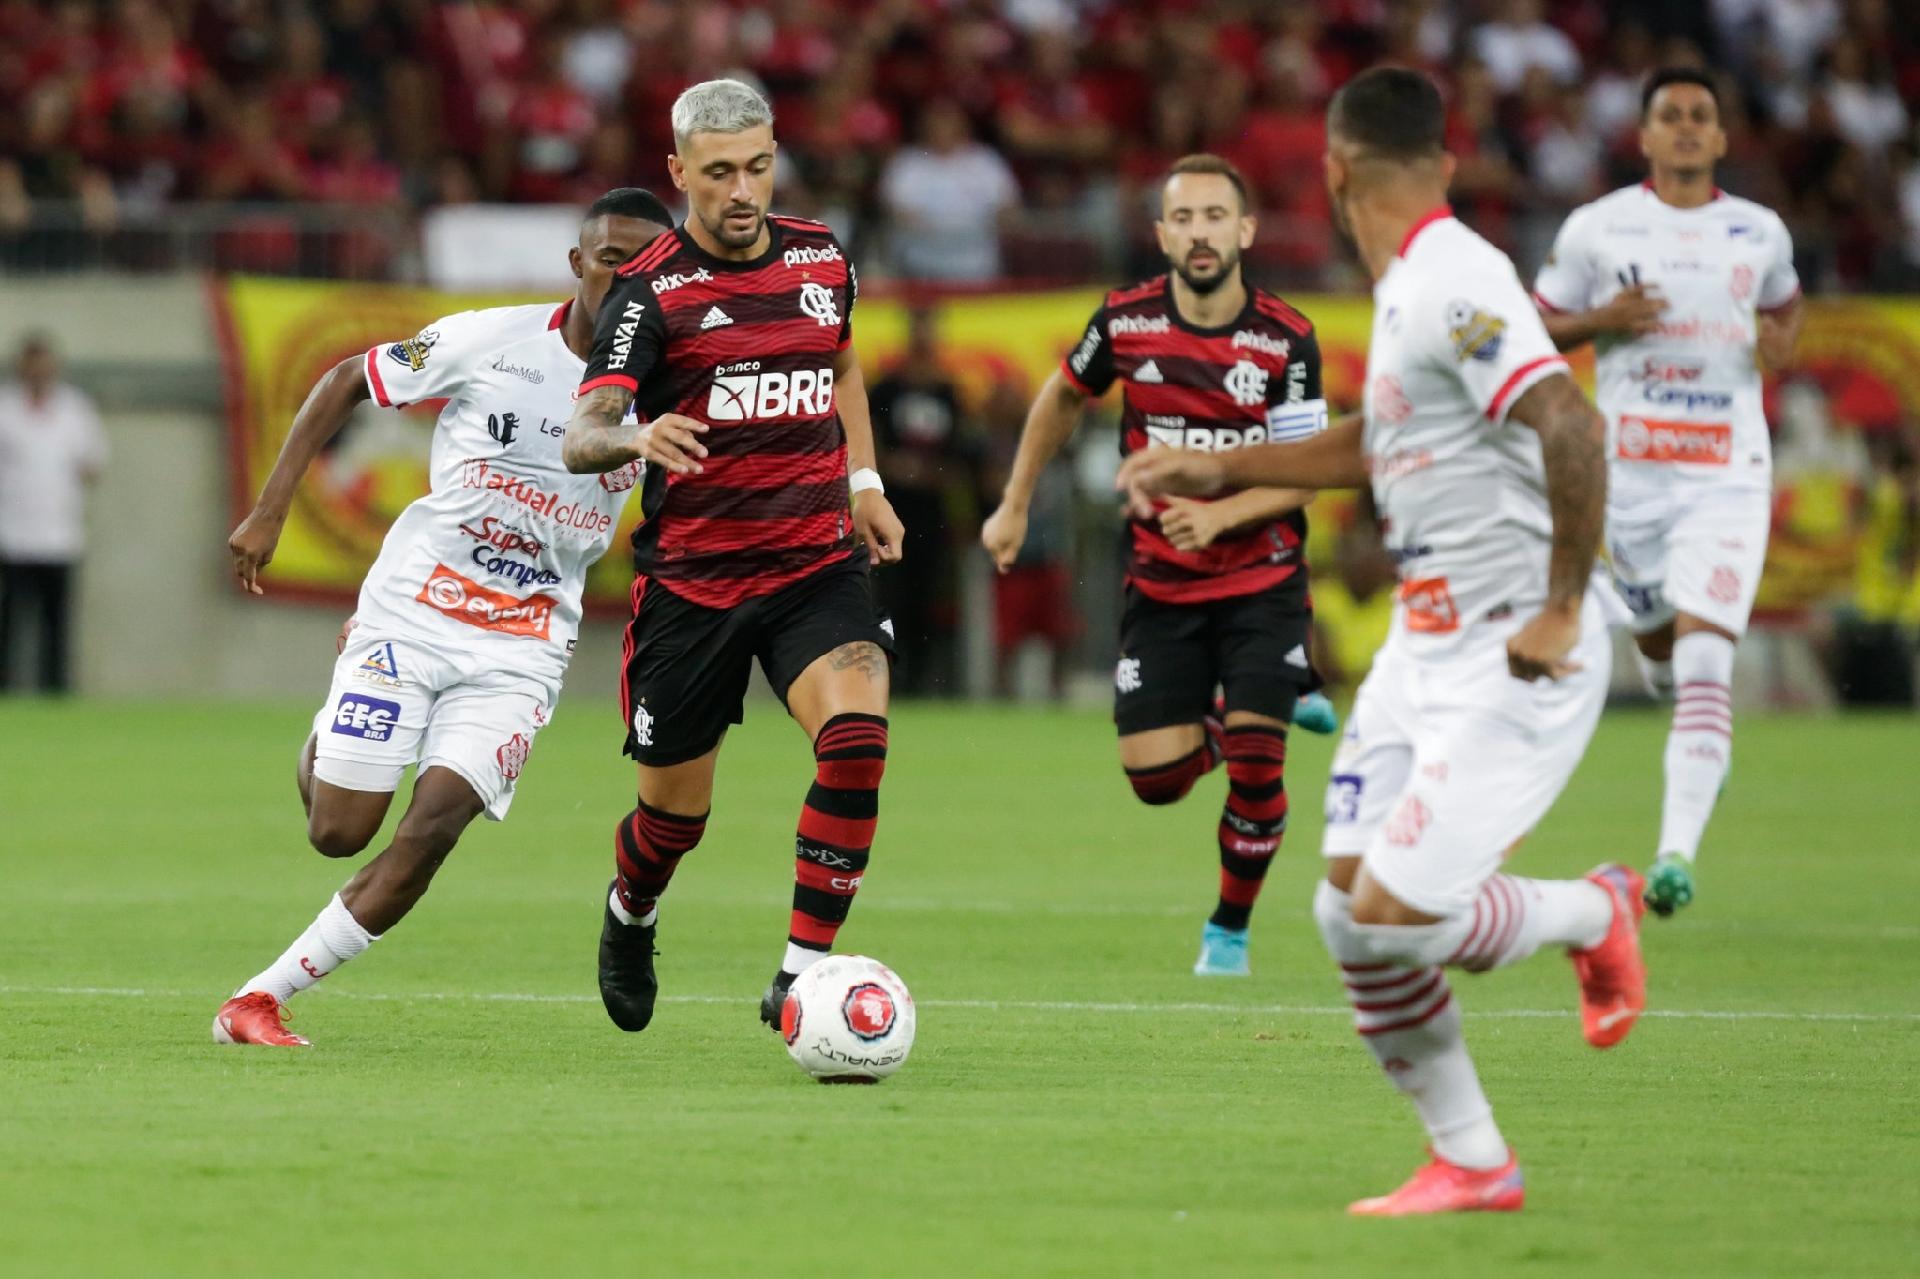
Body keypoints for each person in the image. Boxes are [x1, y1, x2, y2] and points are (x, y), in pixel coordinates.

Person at [1116, 67, 1646, 1216]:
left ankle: (1597, 911)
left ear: (1334, 172)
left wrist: (1563, 602)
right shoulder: (1413, 286)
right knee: (1345, 910)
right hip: (1424, 644)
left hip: (1515, 646)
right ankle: (1473, 1159)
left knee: (1401, 909)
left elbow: (1569, 420)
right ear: (1444, 164)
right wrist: (1230, 462)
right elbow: (1378, 440)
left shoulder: (1457, 279)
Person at [210, 188, 673, 1047]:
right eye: (614, 257)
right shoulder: (489, 340)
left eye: (650, 262)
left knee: (433, 830)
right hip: (414, 613)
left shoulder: (671, 383)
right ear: (579, 266)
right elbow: (349, 375)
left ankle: (258, 1000)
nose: (631, 274)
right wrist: (271, 511)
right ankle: (329, 733)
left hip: (525, 645)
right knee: (338, 831)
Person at [562, 79, 905, 1035]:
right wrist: (633, 438)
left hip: (814, 565)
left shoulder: (821, 256)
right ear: (679, 173)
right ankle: (631, 909)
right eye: (719, 173)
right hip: (696, 587)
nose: (743, 188)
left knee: (857, 741)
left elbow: (839, 363)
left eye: (757, 165)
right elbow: (581, 432)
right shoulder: (650, 292)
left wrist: (866, 483)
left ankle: (802, 974)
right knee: (673, 820)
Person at [982, 153, 1339, 979]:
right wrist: (1016, 500)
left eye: (1216, 216)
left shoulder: (1286, 337)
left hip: (1262, 579)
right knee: (1156, 780)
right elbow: (1063, 395)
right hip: (1164, 586)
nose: (1201, 233)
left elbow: (1309, 473)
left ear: (1245, 230)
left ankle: (1228, 931)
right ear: (1162, 234)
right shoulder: (1125, 321)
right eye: (1184, 219)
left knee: (1257, 766)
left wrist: (1217, 510)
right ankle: (1258, 708)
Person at [1532, 67, 1804, 916]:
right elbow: (1532, 323)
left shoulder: (1758, 232)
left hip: (1727, 474)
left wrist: (1779, 341)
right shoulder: (1596, 229)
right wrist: (1599, 324)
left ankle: (1674, 852)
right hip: (1632, 478)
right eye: (1670, 117)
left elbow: (1788, 308)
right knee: (1658, 649)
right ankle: (1697, 743)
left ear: (1722, 138)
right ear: (1643, 136)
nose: (1686, 128)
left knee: (1704, 657)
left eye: (1701, 117)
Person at [868, 306, 975, 695]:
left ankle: (925, 678)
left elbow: (961, 456)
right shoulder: (885, 388)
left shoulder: (949, 392)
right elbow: (868, 441)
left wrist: (938, 481)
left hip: (933, 513)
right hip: (892, 508)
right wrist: (892, 469)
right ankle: (893, 674)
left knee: (930, 596)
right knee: (891, 592)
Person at [0, 334, 108, 694]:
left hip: (60, 534)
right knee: (9, 622)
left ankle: (54, 691)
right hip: (11, 534)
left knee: (56, 624)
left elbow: (93, 463)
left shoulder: (74, 410)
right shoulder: (5, 409)